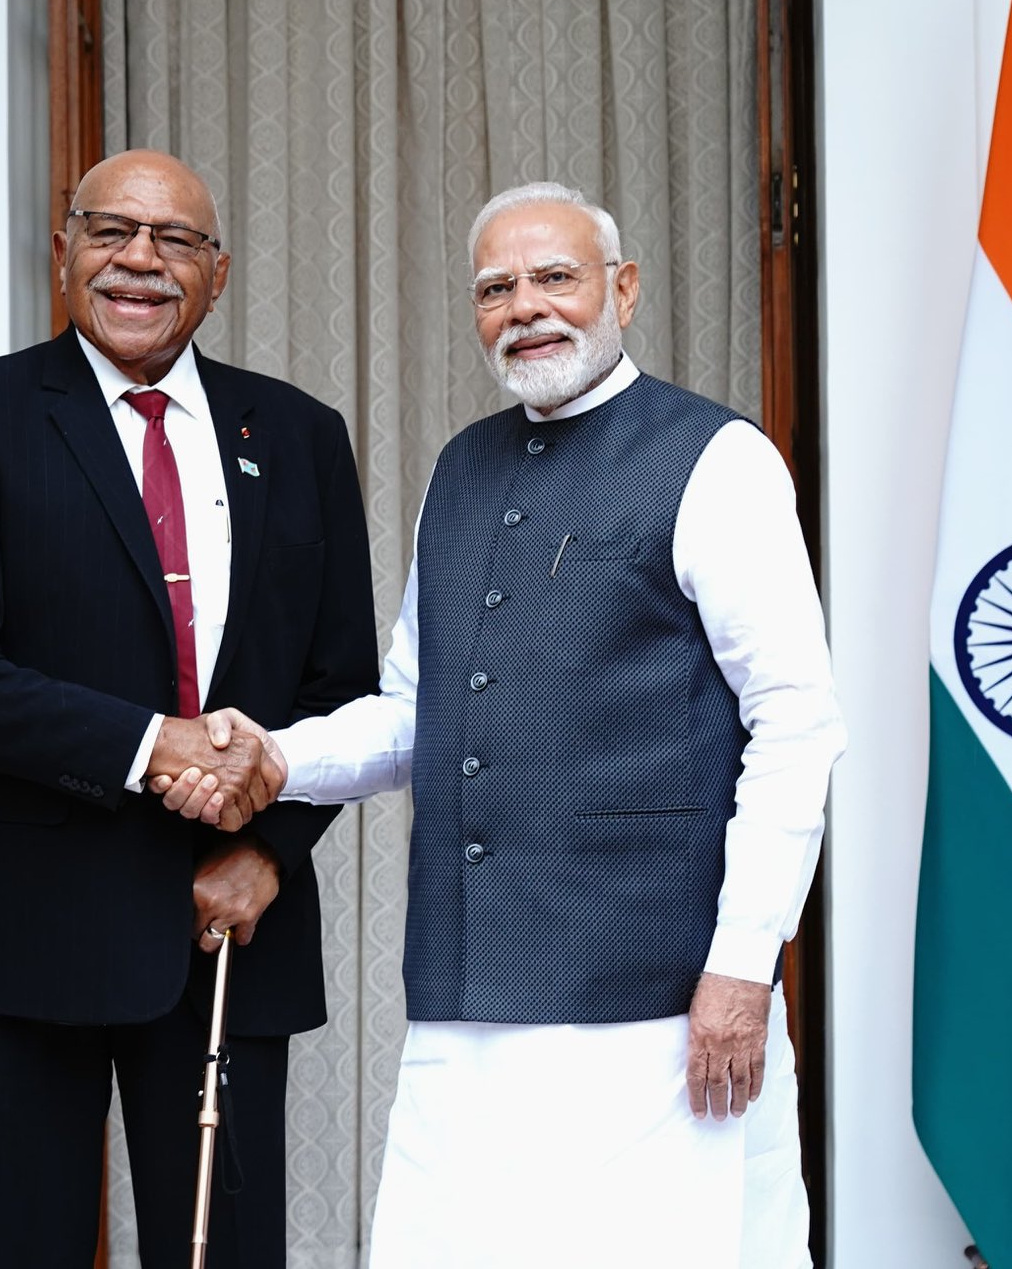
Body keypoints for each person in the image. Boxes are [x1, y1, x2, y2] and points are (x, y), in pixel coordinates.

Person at [165, 180, 845, 1266]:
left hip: (655, 1011)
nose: (525, 306)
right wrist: (276, 754)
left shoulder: (718, 460)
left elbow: (796, 724)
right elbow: (411, 714)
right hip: (465, 1007)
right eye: (495, 287)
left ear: (621, 289)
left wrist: (741, 963)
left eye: (554, 277)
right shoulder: (461, 467)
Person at [0, 149, 378, 1267]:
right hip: (20, 942)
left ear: (218, 274)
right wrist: (154, 747)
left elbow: (338, 692)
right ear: (63, 250)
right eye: (110, 231)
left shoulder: (296, 435)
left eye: (175, 242)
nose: (139, 262)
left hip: (225, 933)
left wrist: (272, 853)